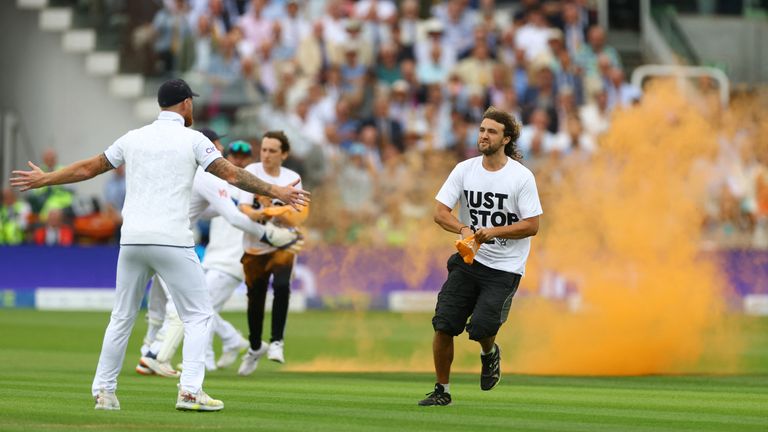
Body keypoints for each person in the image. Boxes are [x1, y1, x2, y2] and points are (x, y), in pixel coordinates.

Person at [10, 78, 309, 412]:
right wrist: (279, 191)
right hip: (171, 240)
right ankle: (190, 391)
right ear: (185, 104)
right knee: (198, 315)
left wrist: (46, 178)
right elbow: (233, 176)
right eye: (190, 102)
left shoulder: (133, 138)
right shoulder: (194, 139)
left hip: (132, 240)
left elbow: (89, 168)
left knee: (121, 318)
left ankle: (104, 392)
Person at [419, 106, 542, 406]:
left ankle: (490, 353)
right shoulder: (464, 169)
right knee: (444, 324)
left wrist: (493, 232)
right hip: (469, 261)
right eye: (482, 130)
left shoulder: (521, 177)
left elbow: (532, 225)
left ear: (506, 139)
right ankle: (442, 390)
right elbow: (439, 213)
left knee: (482, 329)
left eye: (492, 131)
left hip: (504, 268)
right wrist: (463, 228)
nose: (484, 135)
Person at [237, 131, 303, 375]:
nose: (266, 155)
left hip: (283, 244)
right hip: (255, 246)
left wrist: (277, 214)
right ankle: (255, 347)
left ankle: (277, 342)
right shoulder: (252, 172)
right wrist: (260, 212)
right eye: (264, 149)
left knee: (283, 286)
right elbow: (244, 207)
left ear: (283, 154)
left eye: (272, 150)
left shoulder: (292, 177)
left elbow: (297, 212)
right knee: (255, 298)